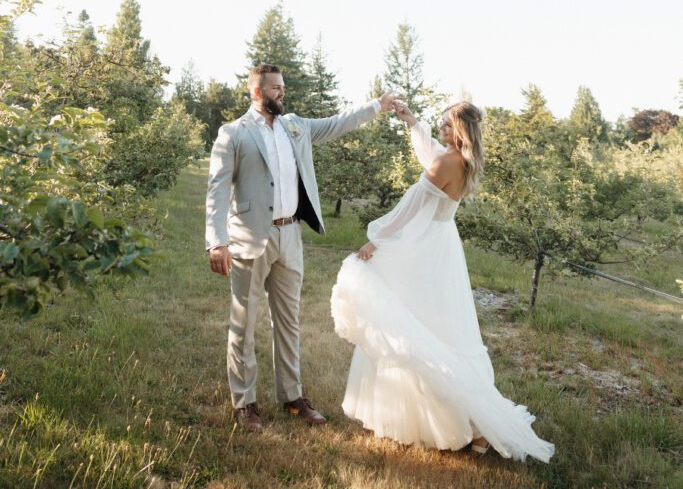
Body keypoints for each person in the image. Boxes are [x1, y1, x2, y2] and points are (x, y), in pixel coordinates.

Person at [331, 99, 555, 463]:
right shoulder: (463, 161)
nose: (441, 131)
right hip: (442, 245)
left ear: (460, 131)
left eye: (446, 126)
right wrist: (412, 123)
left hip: (426, 250)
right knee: (443, 329)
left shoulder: (445, 162)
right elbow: (433, 156)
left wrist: (378, 239)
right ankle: (465, 422)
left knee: (415, 325)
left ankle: (474, 422)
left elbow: (412, 205)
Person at [206, 63, 398, 432]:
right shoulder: (234, 133)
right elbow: (216, 192)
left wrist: (378, 105)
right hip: (249, 237)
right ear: (257, 92)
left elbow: (338, 122)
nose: (282, 93)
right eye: (276, 88)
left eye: (282, 88)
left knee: (289, 322)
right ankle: (245, 403)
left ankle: (292, 396)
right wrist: (218, 242)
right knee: (243, 324)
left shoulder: (296, 125)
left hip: (290, 236)